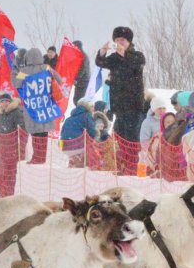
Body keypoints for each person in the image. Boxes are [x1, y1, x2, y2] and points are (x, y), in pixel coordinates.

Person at [95, 26, 146, 172]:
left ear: (129, 41)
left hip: (134, 105)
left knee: (131, 138)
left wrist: (124, 55)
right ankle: (121, 165)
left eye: (122, 40)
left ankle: (131, 166)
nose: (119, 43)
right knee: (119, 136)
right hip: (119, 106)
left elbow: (136, 66)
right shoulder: (114, 58)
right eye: (116, 40)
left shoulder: (137, 56)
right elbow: (100, 63)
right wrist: (102, 52)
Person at [60, 96, 99, 168]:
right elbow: (92, 132)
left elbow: (62, 133)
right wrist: (97, 137)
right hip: (78, 146)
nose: (93, 109)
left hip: (64, 146)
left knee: (78, 145)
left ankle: (73, 160)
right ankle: (83, 162)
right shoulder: (86, 116)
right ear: (87, 106)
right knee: (90, 146)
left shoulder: (69, 118)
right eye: (92, 106)